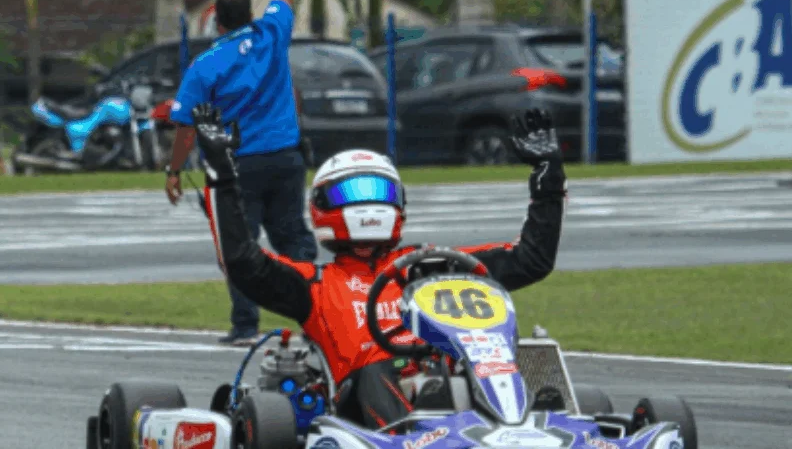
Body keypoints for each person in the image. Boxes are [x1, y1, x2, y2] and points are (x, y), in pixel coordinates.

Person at [189, 102, 567, 429]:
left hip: (449, 391)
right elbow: (242, 261)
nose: (368, 204)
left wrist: (548, 179)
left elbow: (530, 259)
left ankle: (527, 423)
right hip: (363, 409)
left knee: (478, 363)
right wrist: (221, 176)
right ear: (323, 205)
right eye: (352, 193)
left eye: (379, 192)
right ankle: (418, 434)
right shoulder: (314, 285)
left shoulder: (433, 266)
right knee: (377, 370)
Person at [164, 0, 318, 346]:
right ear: (251, 14)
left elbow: (186, 127)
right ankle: (316, 317)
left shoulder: (205, 66)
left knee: (240, 245)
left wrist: (173, 171)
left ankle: (245, 326)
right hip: (285, 158)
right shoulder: (272, 34)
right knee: (294, 242)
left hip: (237, 167)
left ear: (216, 22)